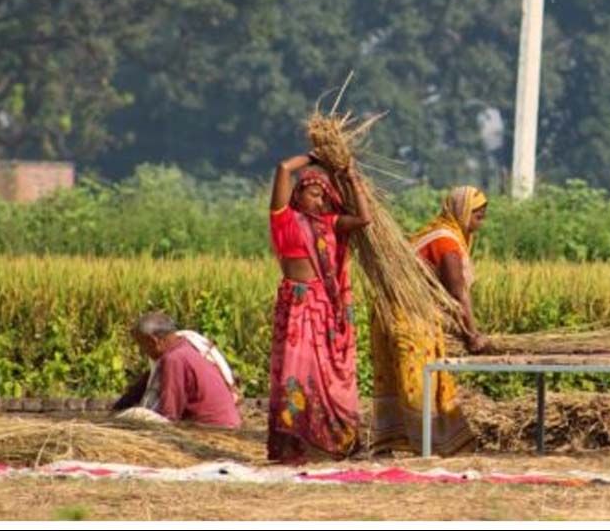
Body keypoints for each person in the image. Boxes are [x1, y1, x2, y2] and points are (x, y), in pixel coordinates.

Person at [267, 153, 372, 463]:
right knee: (296, 374)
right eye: (312, 193)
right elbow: (283, 167)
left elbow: (365, 220)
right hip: (296, 305)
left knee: (324, 375)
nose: (318, 200)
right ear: (297, 194)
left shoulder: (329, 223)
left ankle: (330, 441)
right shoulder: (284, 219)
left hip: (323, 306)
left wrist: (351, 177)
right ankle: (295, 444)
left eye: (323, 196)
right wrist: (314, 157)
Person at [369, 186, 487, 457]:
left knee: (404, 377)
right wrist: (472, 334)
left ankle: (402, 442)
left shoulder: (438, 233)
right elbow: (458, 292)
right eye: (477, 216)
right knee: (417, 381)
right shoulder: (445, 242)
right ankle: (423, 444)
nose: (480, 223)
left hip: (396, 313)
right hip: (406, 316)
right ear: (461, 212)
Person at [112, 312, 241, 429]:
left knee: (135, 415)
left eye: (142, 345)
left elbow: (169, 413)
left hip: (213, 427)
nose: (142, 351)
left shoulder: (174, 359)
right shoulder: (187, 344)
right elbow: (142, 385)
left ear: (154, 341)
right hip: (228, 422)